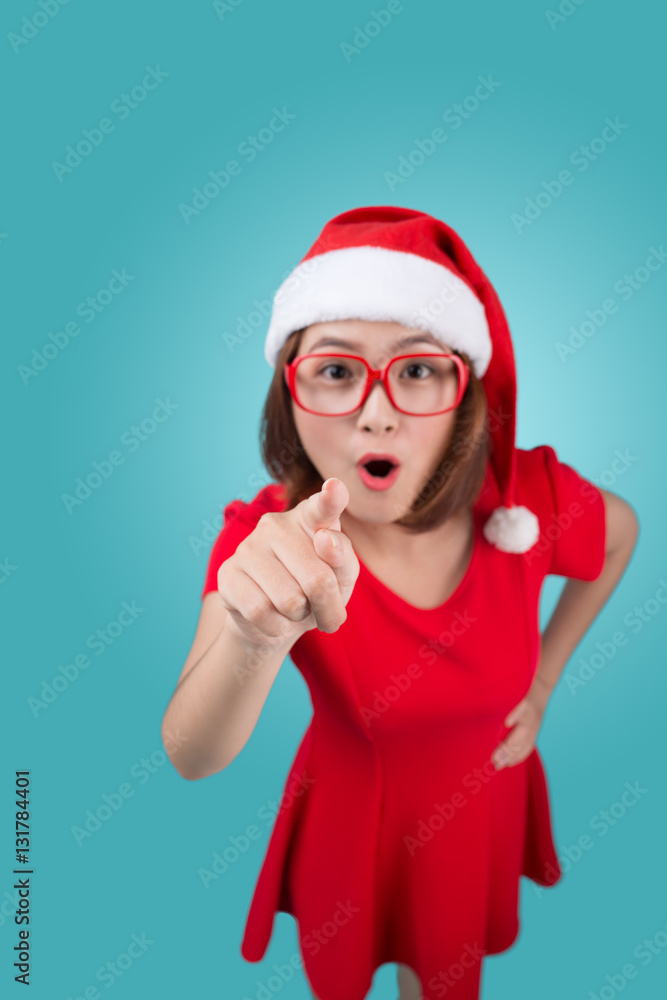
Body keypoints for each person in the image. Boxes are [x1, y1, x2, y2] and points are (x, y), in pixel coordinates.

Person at [161, 206, 639, 1000]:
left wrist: (544, 681)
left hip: (479, 805)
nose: (376, 411)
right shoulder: (264, 543)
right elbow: (191, 753)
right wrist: (252, 632)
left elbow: (618, 537)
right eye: (337, 370)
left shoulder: (528, 506)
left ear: (463, 395)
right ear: (290, 394)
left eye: (416, 369)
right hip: (349, 826)